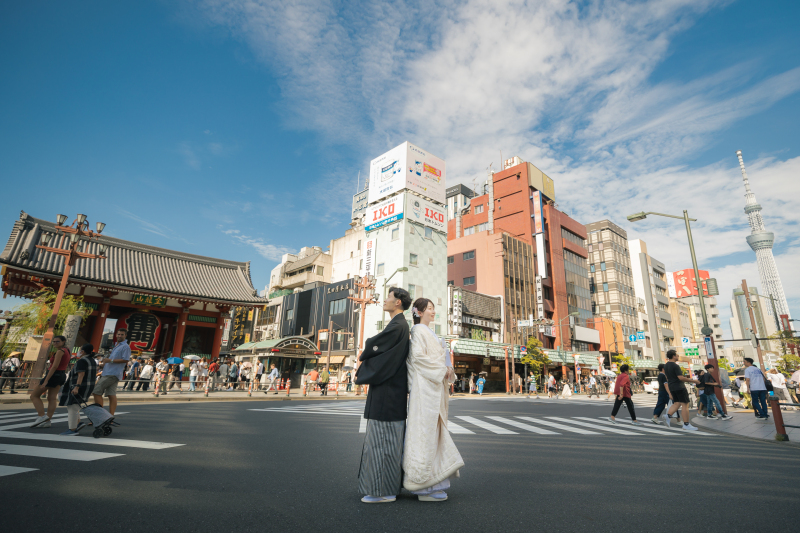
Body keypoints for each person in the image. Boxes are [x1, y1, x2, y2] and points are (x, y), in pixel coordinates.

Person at [403, 297, 464, 502]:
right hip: (424, 389)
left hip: (433, 387)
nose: (433, 311)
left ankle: (433, 483)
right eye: (429, 308)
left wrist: (447, 369)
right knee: (425, 433)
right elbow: (418, 358)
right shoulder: (418, 331)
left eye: (433, 308)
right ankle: (423, 486)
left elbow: (437, 360)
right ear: (419, 312)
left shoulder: (429, 333)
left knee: (433, 433)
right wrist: (441, 369)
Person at [354, 287, 412, 504]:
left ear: (398, 302)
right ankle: (386, 488)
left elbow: (373, 346)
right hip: (391, 392)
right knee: (386, 442)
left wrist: (368, 350)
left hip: (388, 393)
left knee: (382, 442)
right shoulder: (399, 325)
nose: (385, 300)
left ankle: (383, 491)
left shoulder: (398, 325)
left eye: (389, 297)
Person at [30, 335, 71, 428]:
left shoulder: (60, 351)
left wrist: (46, 380)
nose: (55, 343)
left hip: (53, 374)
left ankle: (42, 416)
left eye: (57, 341)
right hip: (61, 375)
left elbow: (55, 366)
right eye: (54, 341)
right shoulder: (67, 350)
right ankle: (47, 421)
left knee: (34, 396)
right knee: (52, 398)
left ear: (63, 342)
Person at [58, 343, 98, 436]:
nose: (78, 352)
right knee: (75, 406)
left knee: (72, 407)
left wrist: (77, 387)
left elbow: (81, 374)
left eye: (80, 350)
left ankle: (72, 429)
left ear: (83, 351)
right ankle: (78, 423)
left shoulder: (82, 361)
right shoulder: (91, 360)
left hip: (80, 387)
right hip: (87, 386)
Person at [91, 328, 131, 415]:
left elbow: (126, 359)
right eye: (118, 334)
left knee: (96, 392)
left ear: (125, 336)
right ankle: (110, 416)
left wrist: (110, 360)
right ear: (116, 335)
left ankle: (101, 415)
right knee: (111, 394)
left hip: (112, 373)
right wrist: (104, 364)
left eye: (122, 334)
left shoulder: (125, 347)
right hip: (110, 372)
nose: (119, 336)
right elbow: (111, 360)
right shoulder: (116, 345)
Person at [661, 350, 701, 430]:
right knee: (685, 405)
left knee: (677, 403)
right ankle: (686, 424)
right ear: (673, 356)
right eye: (677, 355)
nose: (678, 357)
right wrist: (694, 381)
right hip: (679, 387)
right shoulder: (675, 366)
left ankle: (668, 416)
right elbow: (681, 378)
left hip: (672, 387)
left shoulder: (666, 366)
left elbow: (667, 378)